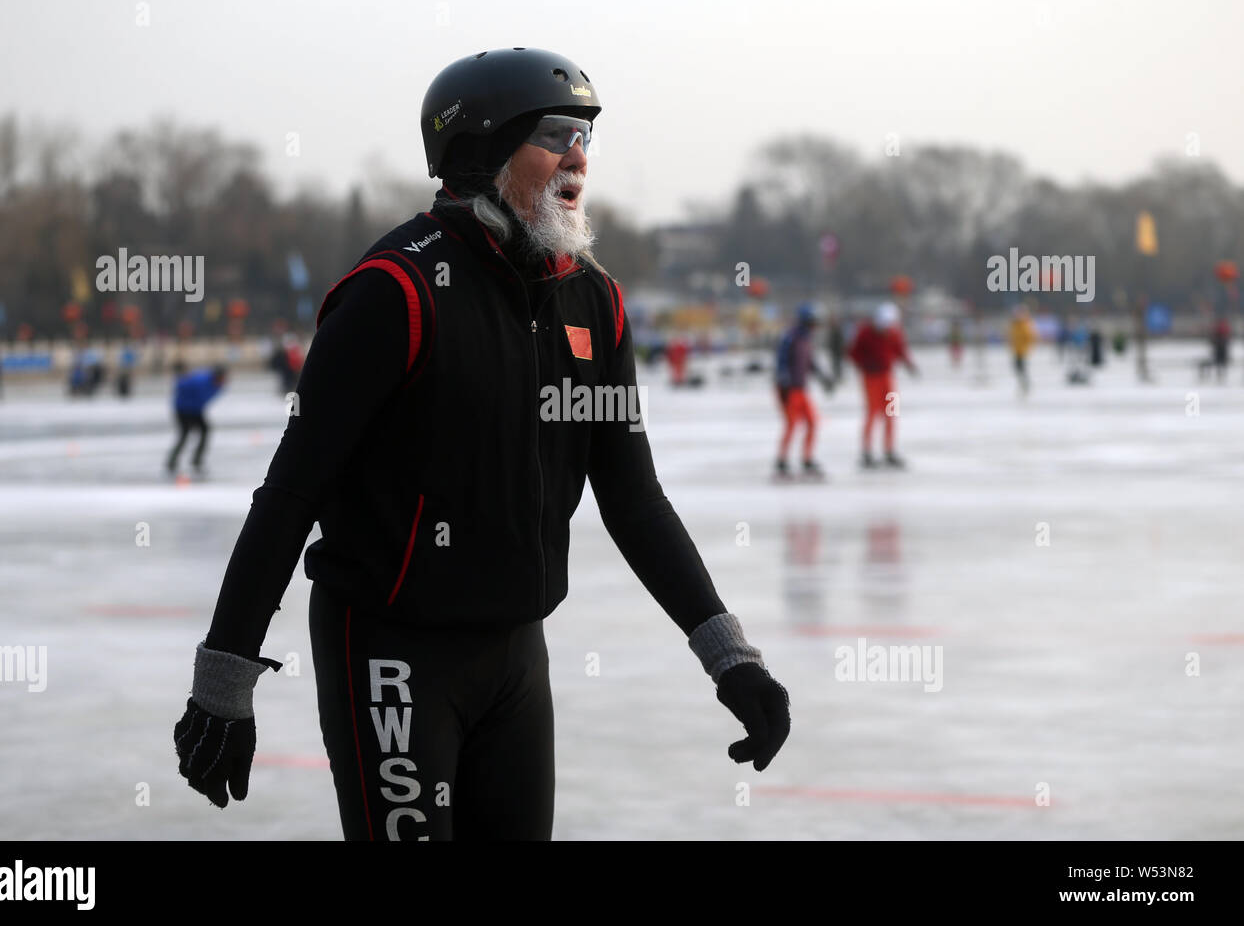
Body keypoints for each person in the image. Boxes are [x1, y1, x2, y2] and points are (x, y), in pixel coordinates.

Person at [172, 47, 791, 842]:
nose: (579, 157)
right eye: (558, 134)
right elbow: (292, 494)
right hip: (391, 652)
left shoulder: (592, 300)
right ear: (484, 152)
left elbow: (634, 500)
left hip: (515, 658)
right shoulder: (393, 293)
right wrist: (224, 676)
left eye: (587, 137)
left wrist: (728, 655)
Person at [847, 302, 916, 469]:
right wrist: (864, 365)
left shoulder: (894, 332)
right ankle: (867, 452)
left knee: (891, 413)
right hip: (871, 378)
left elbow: (900, 350)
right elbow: (852, 353)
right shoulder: (864, 332)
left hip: (887, 377)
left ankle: (889, 451)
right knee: (872, 413)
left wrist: (909, 365)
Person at [773, 303, 834, 478]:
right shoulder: (790, 337)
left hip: (801, 389)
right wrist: (783, 380)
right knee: (792, 425)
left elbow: (810, 363)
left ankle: (807, 459)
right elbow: (781, 360)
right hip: (789, 389)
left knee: (812, 423)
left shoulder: (806, 340)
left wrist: (823, 379)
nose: (815, 327)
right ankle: (782, 460)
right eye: (813, 323)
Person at [166, 364, 227, 475]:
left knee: (205, 431)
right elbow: (180, 384)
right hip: (183, 410)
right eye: (221, 378)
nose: (223, 380)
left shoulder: (219, 385)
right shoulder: (200, 381)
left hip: (196, 410)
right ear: (216, 376)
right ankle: (172, 461)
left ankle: (196, 460)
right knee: (184, 435)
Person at [1008, 305, 1037, 395]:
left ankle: (1025, 383)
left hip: (1022, 351)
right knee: (1017, 368)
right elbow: (1011, 336)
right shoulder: (1015, 325)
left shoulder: (1025, 325)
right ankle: (1023, 383)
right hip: (1016, 350)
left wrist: (1026, 347)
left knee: (1021, 368)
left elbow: (1030, 337)